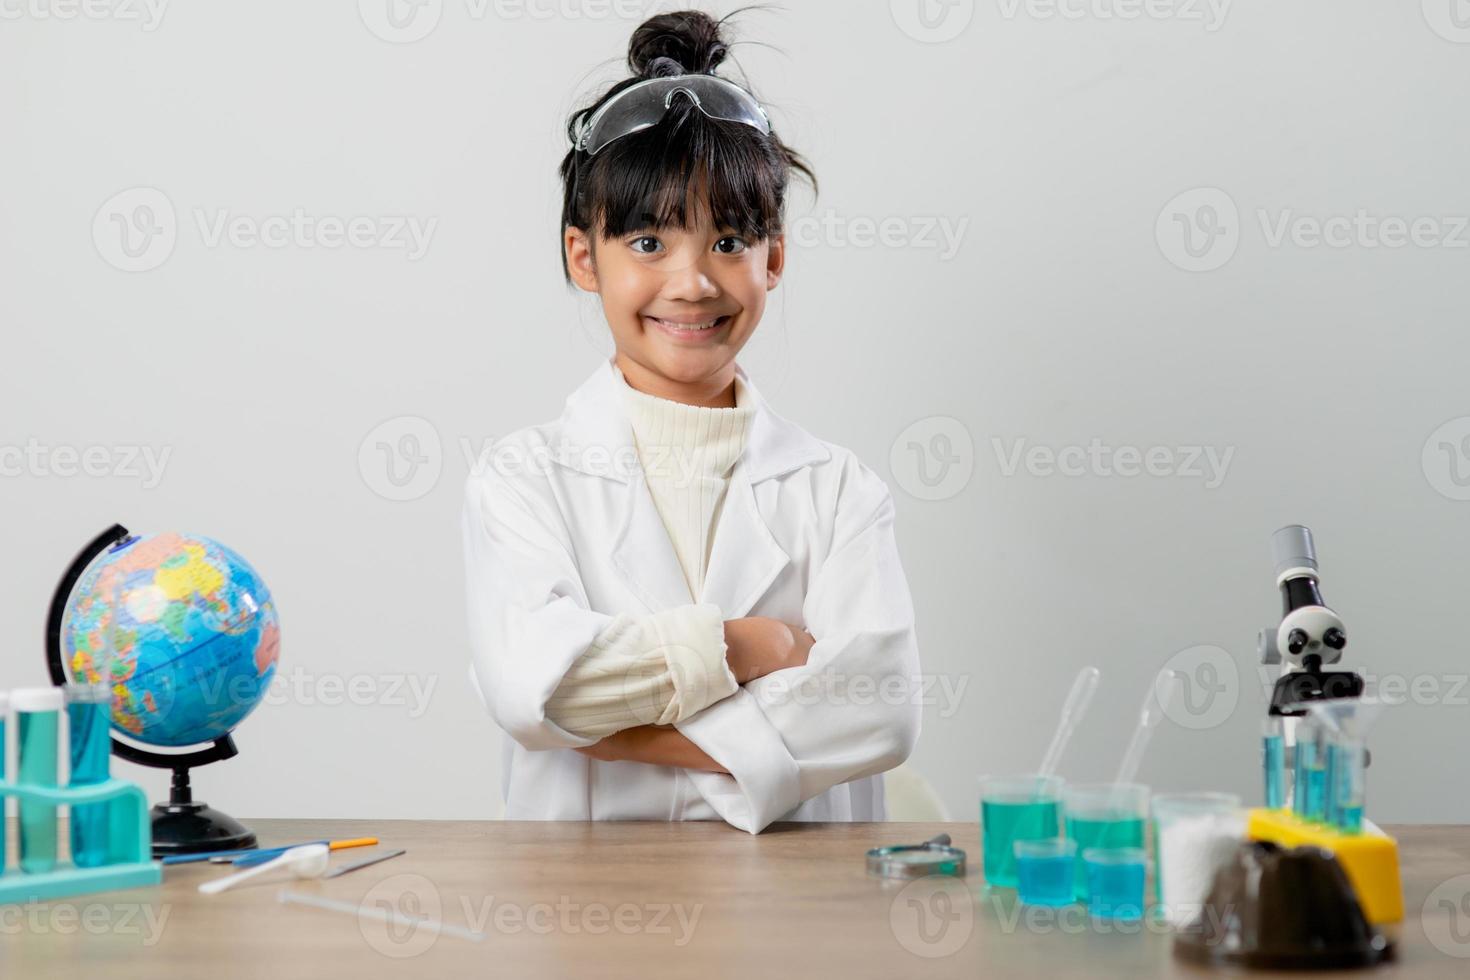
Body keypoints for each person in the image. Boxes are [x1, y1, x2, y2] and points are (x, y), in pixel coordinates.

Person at [462, 9, 921, 833]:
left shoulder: (839, 489)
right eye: (646, 242)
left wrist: (614, 732)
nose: (692, 283)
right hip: (586, 930)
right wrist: (750, 649)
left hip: (798, 931)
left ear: (772, 258)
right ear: (581, 257)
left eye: (729, 240)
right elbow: (536, 692)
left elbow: (880, 714)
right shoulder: (522, 478)